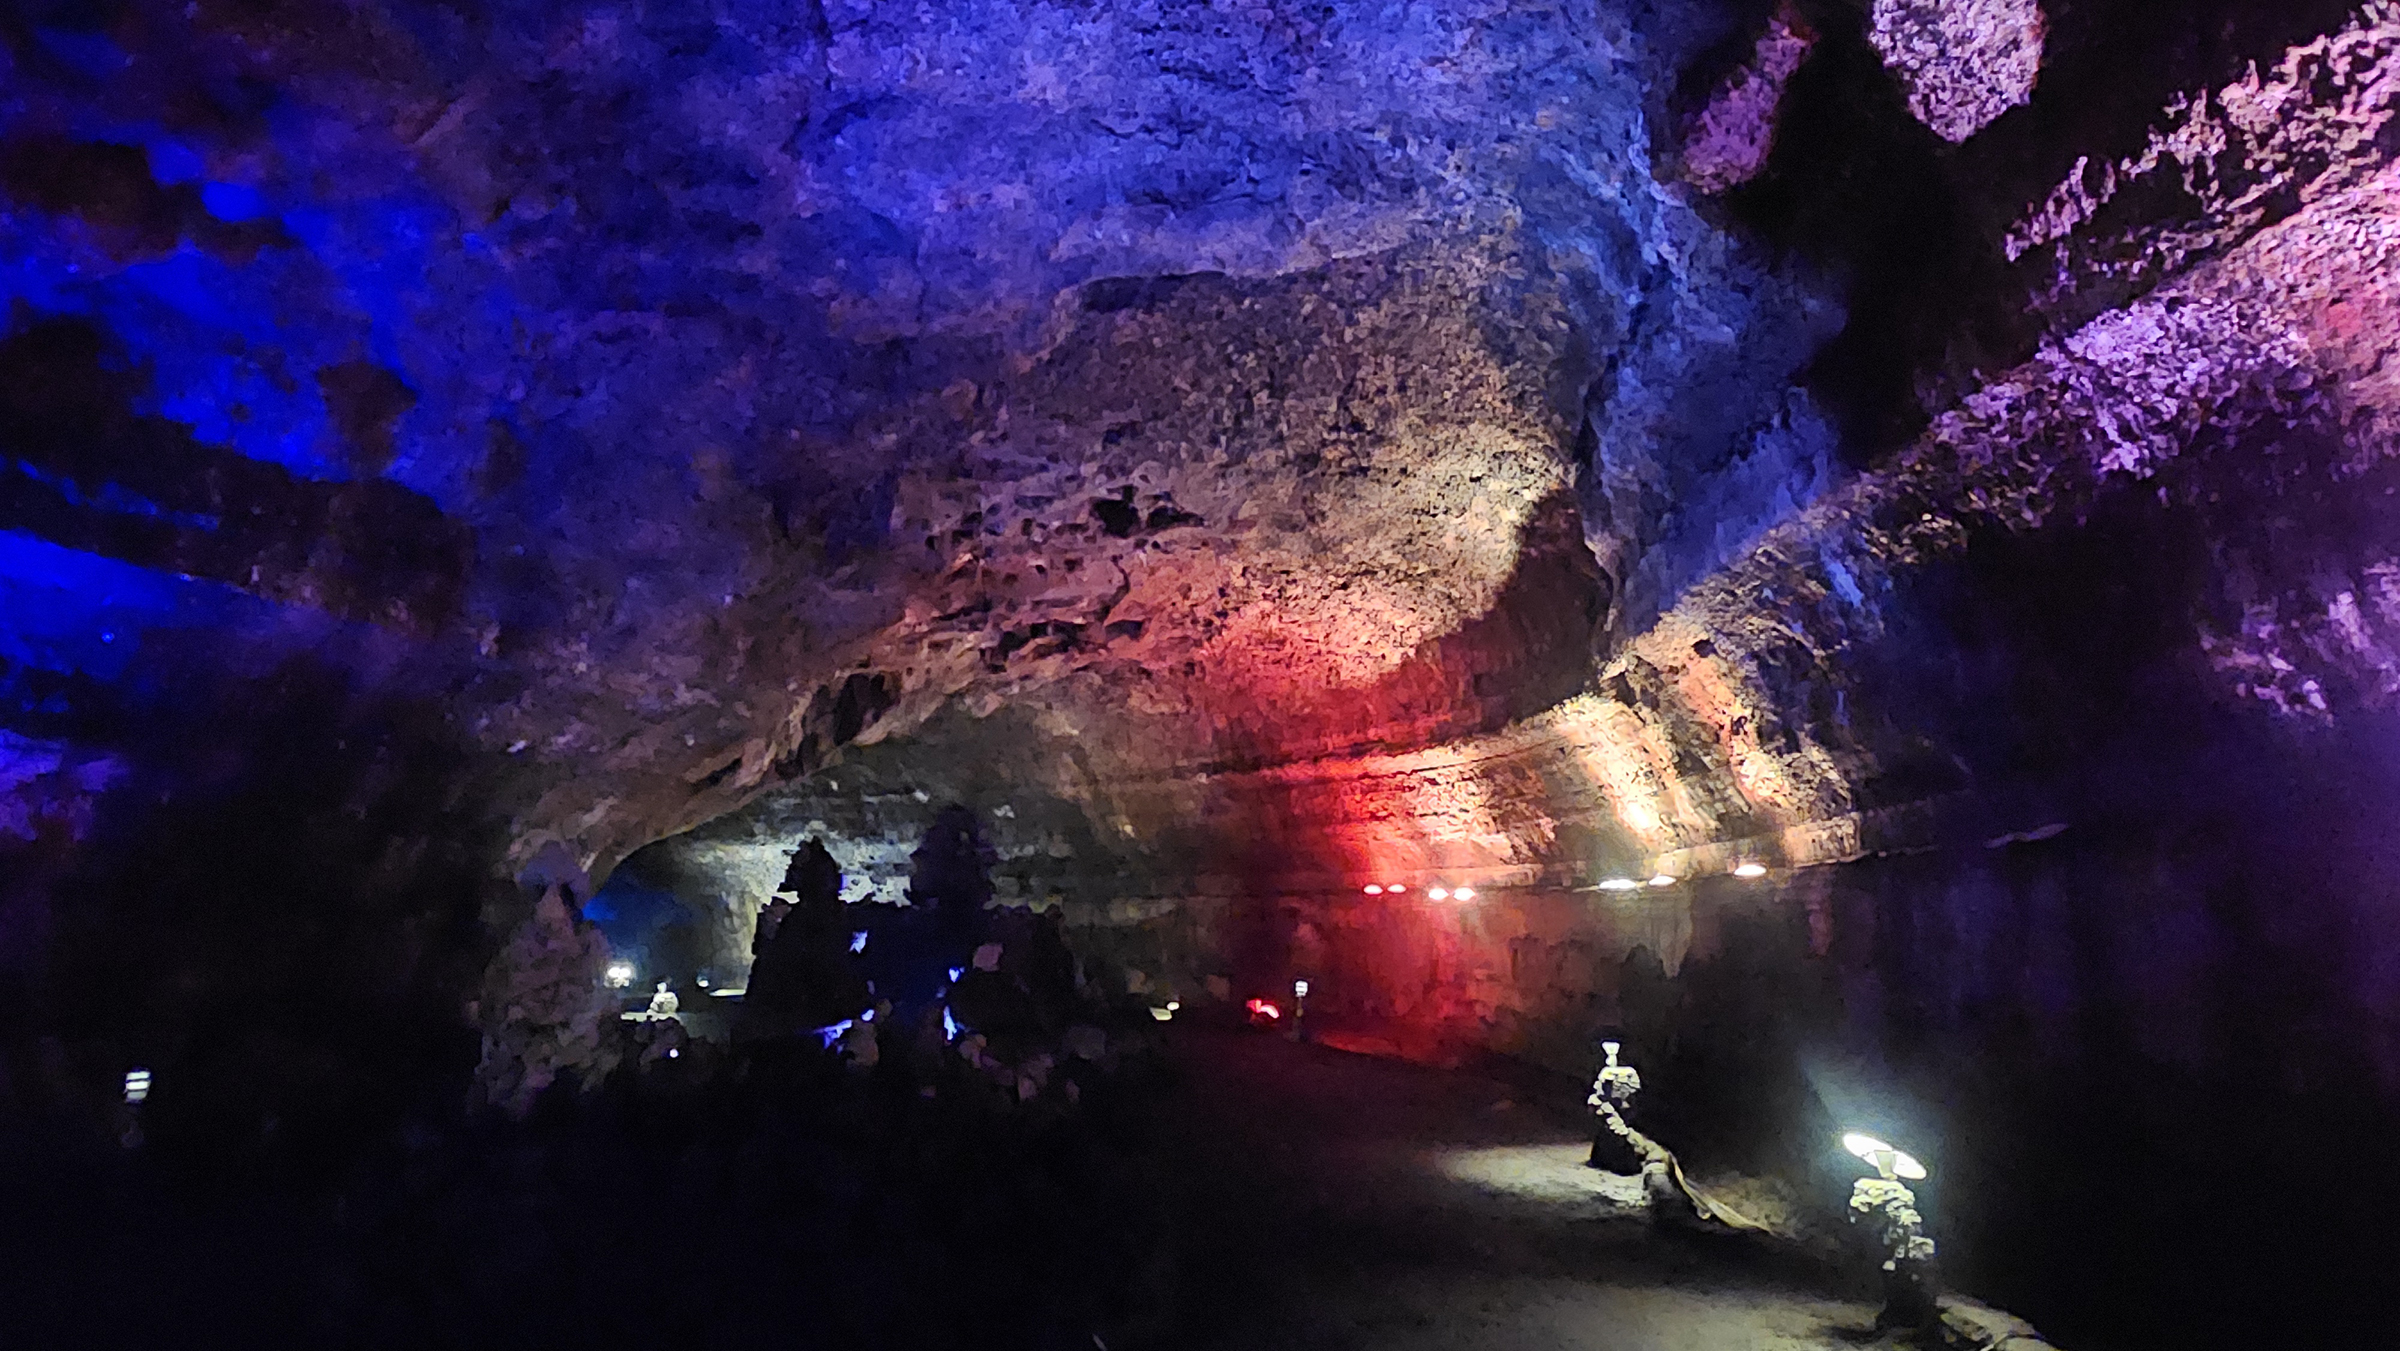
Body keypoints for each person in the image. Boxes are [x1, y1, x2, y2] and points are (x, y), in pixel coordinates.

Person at [1848, 1145, 1940, 1331]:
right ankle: (1899, 1316)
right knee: (1892, 1272)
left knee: (1905, 1273)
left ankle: (1913, 1319)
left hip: (1906, 1255)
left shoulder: (1901, 1205)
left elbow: (1908, 1227)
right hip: (1896, 1252)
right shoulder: (1876, 1192)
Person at [1587, 1039, 1645, 1173]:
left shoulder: (1629, 1077)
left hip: (1619, 1121)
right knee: (1610, 1136)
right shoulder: (1604, 1089)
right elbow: (1599, 1098)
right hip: (1611, 1120)